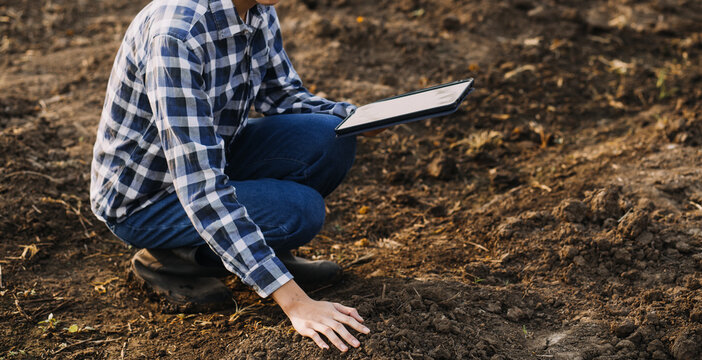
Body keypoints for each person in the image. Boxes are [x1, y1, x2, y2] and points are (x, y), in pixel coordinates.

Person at [90, 0, 373, 352]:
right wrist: (295, 301)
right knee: (300, 211)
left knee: (334, 136)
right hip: (147, 197)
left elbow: (281, 94)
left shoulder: (255, 7)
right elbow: (200, 186)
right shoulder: (176, 35)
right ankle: (170, 259)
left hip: (214, 153)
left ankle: (264, 252)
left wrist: (358, 117)